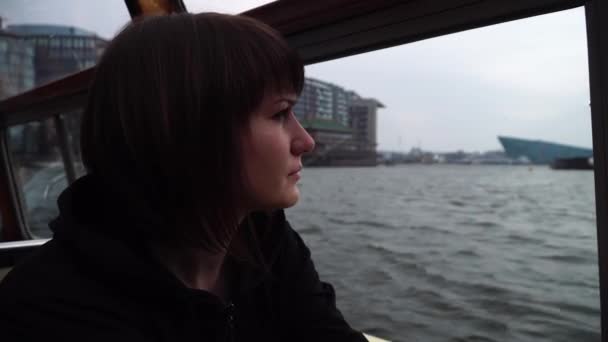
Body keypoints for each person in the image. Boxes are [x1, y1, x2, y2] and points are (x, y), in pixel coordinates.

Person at [0, 12, 367, 342]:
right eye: (280, 113)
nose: (306, 141)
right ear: (192, 132)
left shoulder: (264, 238)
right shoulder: (49, 313)